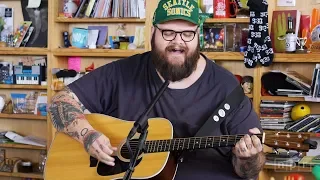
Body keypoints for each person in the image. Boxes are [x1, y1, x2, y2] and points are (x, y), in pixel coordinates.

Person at [48, 0, 266, 179]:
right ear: (153, 32)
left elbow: (249, 171)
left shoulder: (226, 87)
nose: (178, 42)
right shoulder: (124, 72)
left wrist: (248, 158)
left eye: (187, 34)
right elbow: (59, 102)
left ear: (198, 35)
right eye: (168, 33)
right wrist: (88, 136)